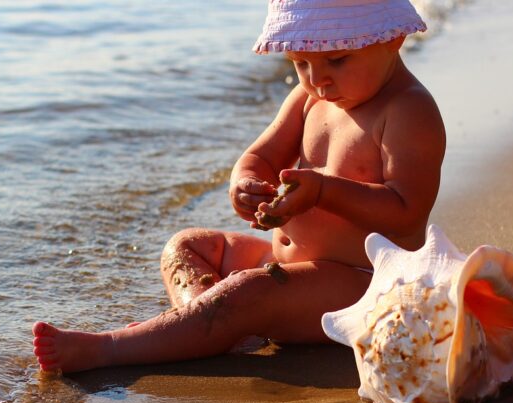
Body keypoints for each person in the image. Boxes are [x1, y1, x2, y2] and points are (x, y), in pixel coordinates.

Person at [31, 0, 445, 373]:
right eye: (300, 63)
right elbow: (259, 158)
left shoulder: (408, 110)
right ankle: (206, 326)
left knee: (249, 291)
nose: (318, 80)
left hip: (361, 281)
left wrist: (323, 191)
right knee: (186, 246)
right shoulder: (309, 100)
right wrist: (245, 183)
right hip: (288, 266)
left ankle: (112, 349)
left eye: (337, 60)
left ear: (393, 39)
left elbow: (406, 210)